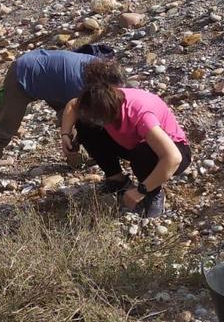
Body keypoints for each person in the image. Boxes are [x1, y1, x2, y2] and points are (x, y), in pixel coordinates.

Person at [60, 61, 191, 218]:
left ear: (113, 112)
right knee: (85, 124)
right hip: (132, 142)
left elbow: (173, 157)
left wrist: (141, 190)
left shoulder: (141, 115)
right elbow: (73, 106)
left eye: (103, 120)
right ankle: (117, 180)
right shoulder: (100, 97)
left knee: (142, 153)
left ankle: (153, 193)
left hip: (172, 150)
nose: (101, 123)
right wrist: (65, 134)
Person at [0, 48, 100, 176]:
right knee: (6, 128)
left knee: (75, 121)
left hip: (51, 76)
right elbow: (78, 114)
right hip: (22, 74)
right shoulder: (79, 85)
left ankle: (78, 160)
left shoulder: (100, 68)